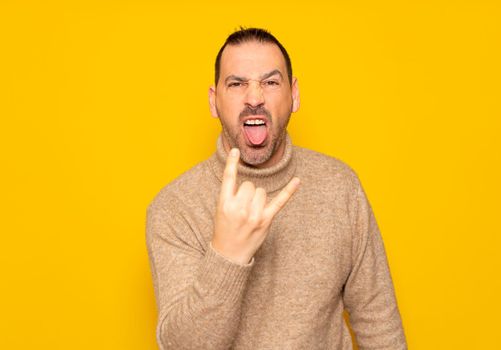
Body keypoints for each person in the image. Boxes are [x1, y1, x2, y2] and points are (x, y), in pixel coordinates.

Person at [146, 27, 407, 350]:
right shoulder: (174, 208)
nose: (254, 98)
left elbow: (378, 321)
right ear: (214, 101)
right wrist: (227, 255)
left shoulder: (341, 187)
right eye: (237, 84)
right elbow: (182, 346)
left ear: (294, 95)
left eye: (270, 82)